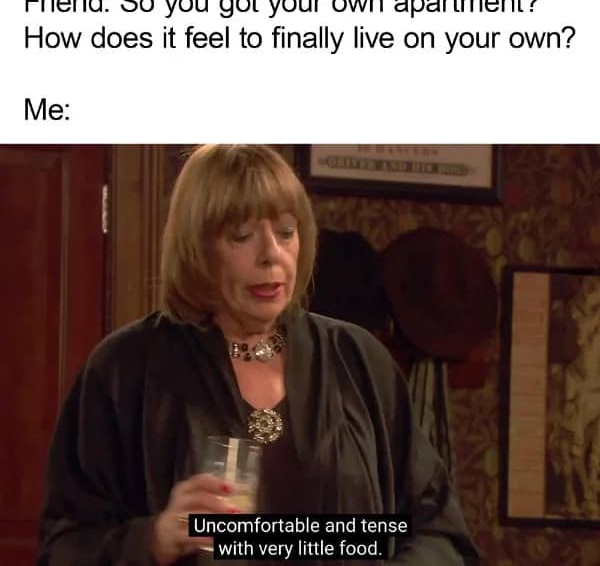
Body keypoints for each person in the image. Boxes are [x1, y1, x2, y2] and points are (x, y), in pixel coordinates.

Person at [38, 144, 479, 565]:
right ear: (197, 247)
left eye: (286, 232)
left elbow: (441, 535)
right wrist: (153, 539)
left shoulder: (358, 359)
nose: (271, 255)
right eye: (242, 236)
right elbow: (64, 547)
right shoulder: (125, 368)